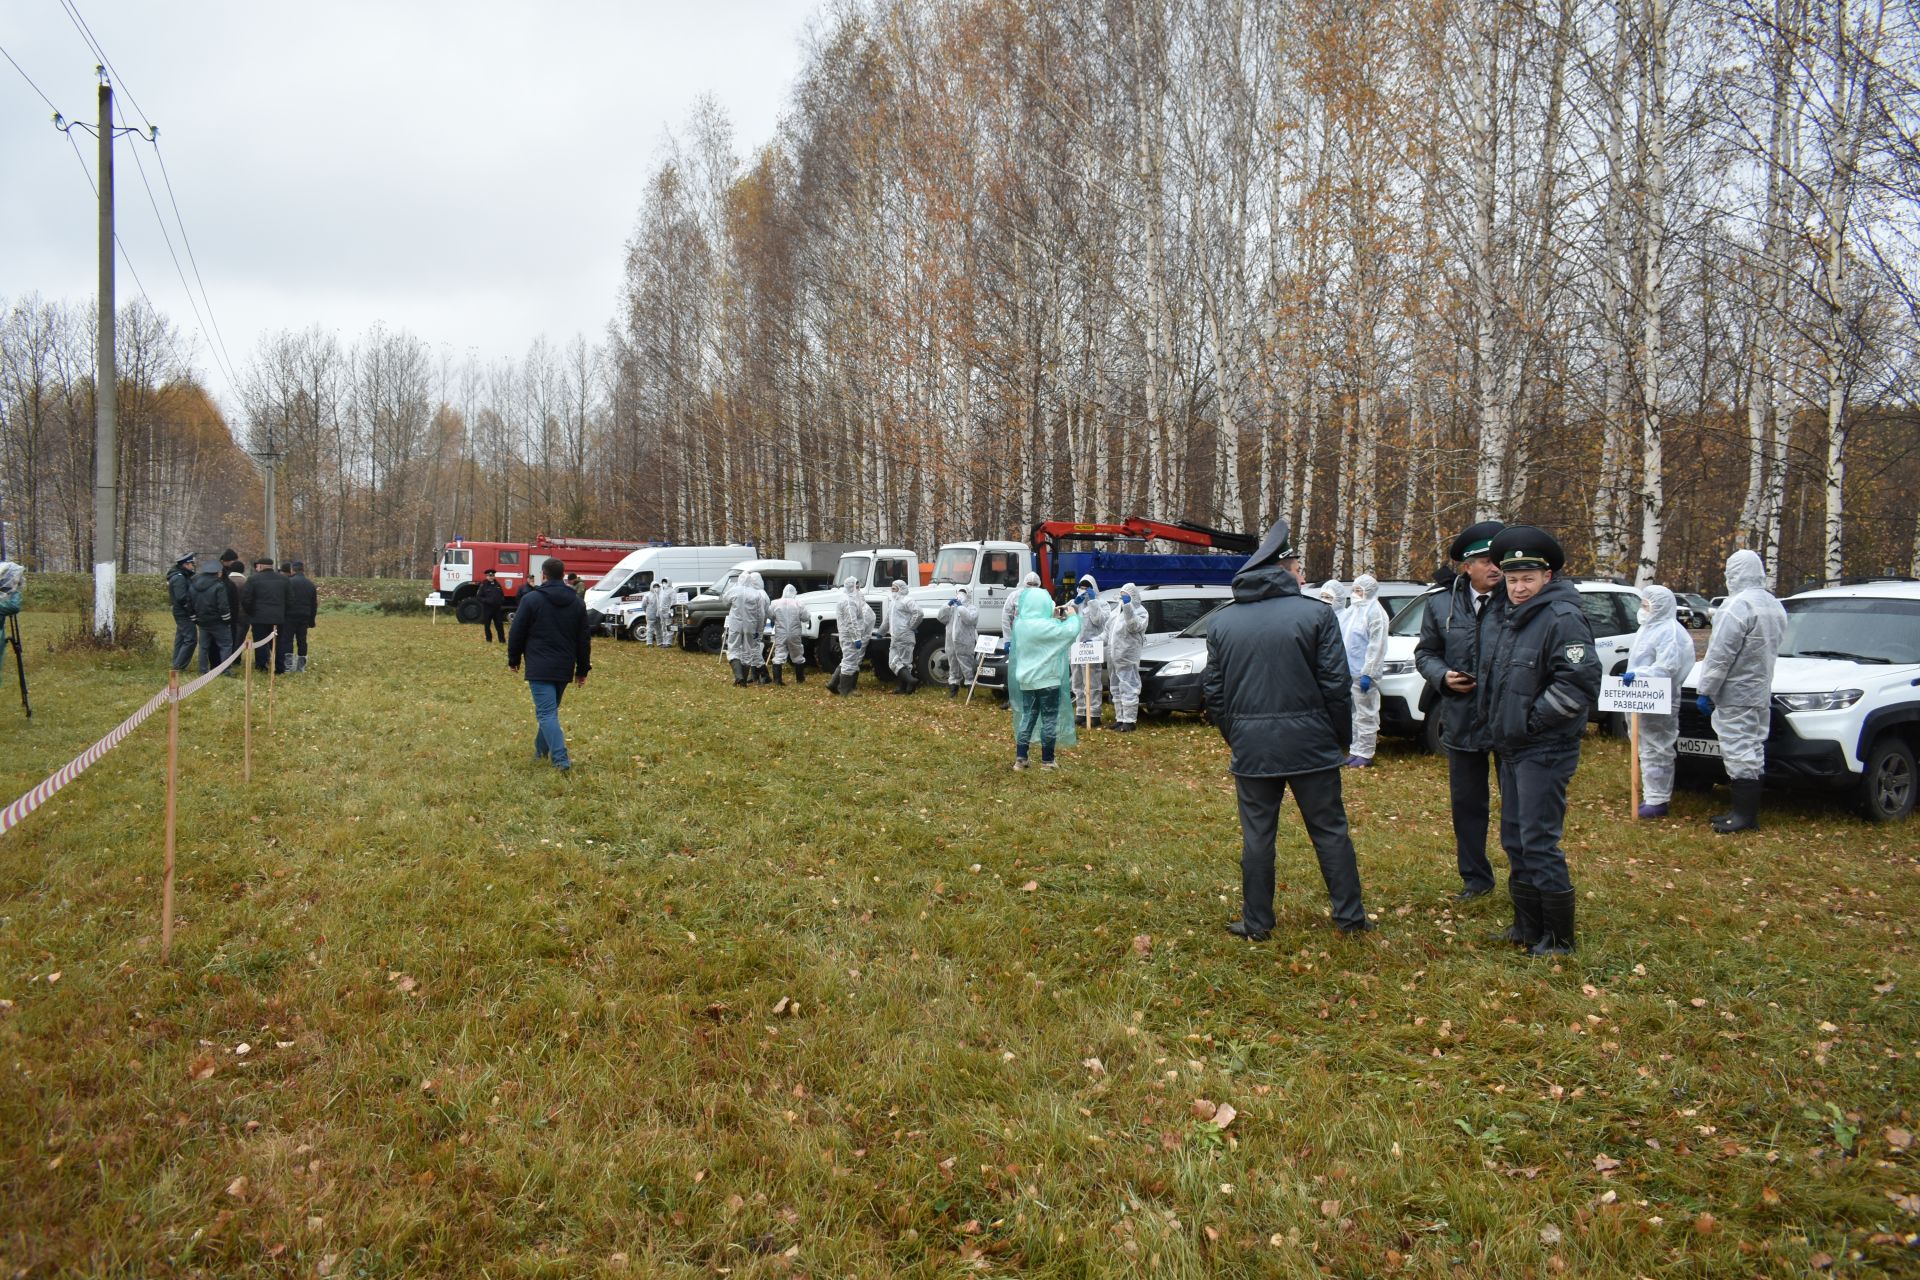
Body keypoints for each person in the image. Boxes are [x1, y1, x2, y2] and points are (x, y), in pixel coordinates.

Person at [1204, 519, 1372, 940]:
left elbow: (1214, 694)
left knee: (1258, 836)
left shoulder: (1223, 622)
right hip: (1311, 743)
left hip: (1253, 747)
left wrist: (1237, 733)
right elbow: (1336, 685)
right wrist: (1338, 738)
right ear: (1282, 571)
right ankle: (1350, 919)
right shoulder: (1316, 615)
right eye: (1298, 569)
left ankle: (1257, 922)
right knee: (1330, 831)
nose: (1302, 576)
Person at [1479, 525, 1601, 956]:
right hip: (1510, 746)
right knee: (1514, 837)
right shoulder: (1506, 617)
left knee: (1538, 839)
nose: (1519, 587)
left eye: (1528, 578)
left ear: (1546, 577)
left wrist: (1531, 723)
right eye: (1512, 579)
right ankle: (1527, 927)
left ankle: (1560, 939)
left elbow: (1578, 684)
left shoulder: (1561, 617)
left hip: (1544, 748)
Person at [1412, 520, 1508, 902]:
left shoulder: (1517, 598)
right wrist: (1442, 676)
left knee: (1517, 807)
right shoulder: (1441, 603)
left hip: (1508, 718)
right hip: (1463, 716)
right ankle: (1476, 878)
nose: (1494, 567)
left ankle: (1526, 878)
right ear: (1466, 566)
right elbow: (1425, 653)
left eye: (1497, 559)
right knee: (1467, 804)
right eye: (1485, 560)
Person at [1694, 549, 1787, 834]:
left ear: (1735, 573)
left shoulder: (1737, 606)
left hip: (1735, 691)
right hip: (1759, 689)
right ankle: (1747, 813)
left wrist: (1707, 689)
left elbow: (1720, 654)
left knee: (1738, 749)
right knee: (1753, 747)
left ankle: (1743, 816)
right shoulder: (1773, 604)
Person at [506, 557, 591, 772]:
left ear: (543, 575)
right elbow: (584, 640)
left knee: (546, 714)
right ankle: (540, 752)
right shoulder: (577, 602)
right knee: (549, 712)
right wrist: (582, 669)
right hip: (564, 666)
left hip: (539, 665)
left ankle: (561, 760)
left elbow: (517, 632)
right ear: (564, 575)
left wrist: (513, 659)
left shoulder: (531, 600)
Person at [1624, 585, 1694, 819]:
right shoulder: (1649, 627)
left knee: (1658, 747)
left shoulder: (1670, 631)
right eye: (1642, 604)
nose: (1643, 609)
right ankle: (1649, 793)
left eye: (1647, 605)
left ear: (1661, 606)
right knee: (1645, 745)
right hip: (1642, 697)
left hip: (1660, 697)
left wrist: (1641, 676)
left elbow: (1667, 668)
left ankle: (1657, 800)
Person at [1008, 587, 1082, 768]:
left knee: (1028, 717)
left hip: (1026, 680)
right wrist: (1072, 615)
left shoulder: (1020, 625)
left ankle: (1021, 758)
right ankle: (1048, 761)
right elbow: (1071, 631)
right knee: (1049, 719)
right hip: (1048, 680)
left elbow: (1040, 626)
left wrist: (1052, 616)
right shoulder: (1049, 627)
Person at [1342, 574, 1389, 767]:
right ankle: (1355, 749)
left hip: (1363, 673)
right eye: (1354, 590)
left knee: (1366, 713)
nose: (1355, 594)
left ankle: (1366, 752)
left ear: (1369, 591)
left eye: (1359, 590)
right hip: (1349, 672)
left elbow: (1376, 645)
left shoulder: (1376, 612)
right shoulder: (1353, 610)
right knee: (1355, 714)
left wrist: (1368, 672)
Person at [1103, 582, 1149, 731]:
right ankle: (1120, 719)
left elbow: (1134, 627)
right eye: (1122, 595)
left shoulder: (1141, 612)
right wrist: (1092, 641)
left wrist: (1128, 607)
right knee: (1115, 687)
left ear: (1133, 596)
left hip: (1128, 655)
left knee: (1129, 686)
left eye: (1126, 595)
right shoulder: (1116, 612)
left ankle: (1130, 721)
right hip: (1114, 656)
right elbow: (1107, 633)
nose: (1122, 598)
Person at [1069, 574, 1107, 726]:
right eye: (1081, 587)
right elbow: (1062, 616)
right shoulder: (1075, 603)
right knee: (1077, 681)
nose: (1083, 590)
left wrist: (1092, 602)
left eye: (1087, 587)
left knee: (1092, 682)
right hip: (1076, 649)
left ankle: (1094, 714)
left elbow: (1099, 620)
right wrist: (1074, 605)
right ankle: (1081, 711)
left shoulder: (1102, 603)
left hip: (1092, 648)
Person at [241, 557, 292, 673]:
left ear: (260, 566)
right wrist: (283, 613)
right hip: (278, 618)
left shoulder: (253, 579)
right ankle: (279, 667)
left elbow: (246, 600)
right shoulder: (284, 579)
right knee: (278, 643)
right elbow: (290, 600)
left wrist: (251, 613)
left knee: (260, 643)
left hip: (258, 618)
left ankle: (261, 666)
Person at [189, 554, 233, 675]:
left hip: (202, 620)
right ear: (217, 572)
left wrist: (194, 618)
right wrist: (227, 620)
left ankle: (203, 670)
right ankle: (225, 670)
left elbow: (190, 603)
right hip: (217, 621)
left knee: (203, 647)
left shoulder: (193, 584)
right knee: (225, 645)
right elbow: (223, 605)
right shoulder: (219, 586)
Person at [829, 577, 870, 695]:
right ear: (851, 587)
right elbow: (851, 622)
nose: (858, 589)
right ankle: (846, 690)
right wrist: (856, 638)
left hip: (848, 635)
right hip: (850, 636)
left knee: (847, 660)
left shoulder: (850, 599)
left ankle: (833, 684)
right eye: (856, 586)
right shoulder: (848, 601)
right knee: (849, 661)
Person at [883, 579, 923, 694]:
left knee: (905, 663)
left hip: (905, 636)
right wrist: (881, 632)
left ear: (901, 589)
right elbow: (887, 620)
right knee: (894, 662)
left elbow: (918, 613)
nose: (892, 590)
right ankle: (910, 681)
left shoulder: (907, 600)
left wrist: (911, 626)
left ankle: (904, 688)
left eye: (894, 588)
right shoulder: (893, 602)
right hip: (895, 637)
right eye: (892, 588)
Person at [938, 587, 980, 697]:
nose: (961, 595)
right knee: (953, 665)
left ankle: (970, 691)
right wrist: (947, 606)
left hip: (965, 642)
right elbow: (941, 618)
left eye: (964, 592)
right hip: (951, 642)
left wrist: (961, 608)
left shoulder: (972, 608)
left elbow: (970, 619)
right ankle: (953, 689)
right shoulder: (952, 609)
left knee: (967, 665)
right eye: (959, 592)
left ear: (968, 594)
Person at [166, 551, 198, 671]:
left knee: (181, 638)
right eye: (191, 564)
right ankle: (178, 667)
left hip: (181, 611)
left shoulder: (181, 576)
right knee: (191, 639)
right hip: (183, 612)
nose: (192, 566)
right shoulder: (179, 578)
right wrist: (191, 610)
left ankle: (177, 663)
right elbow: (181, 597)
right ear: (186, 564)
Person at [769, 583, 808, 683]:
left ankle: (777, 680)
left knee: (779, 654)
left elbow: (770, 615)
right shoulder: (798, 603)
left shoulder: (775, 603)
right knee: (798, 654)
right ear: (794, 592)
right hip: (794, 633)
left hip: (780, 632)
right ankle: (800, 679)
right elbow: (806, 617)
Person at [285, 561, 318, 672]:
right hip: (304, 616)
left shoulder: (288, 582)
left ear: (292, 570)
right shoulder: (310, 584)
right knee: (302, 641)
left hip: (289, 616)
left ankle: (288, 666)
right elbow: (314, 604)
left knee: (288, 640)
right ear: (303, 570)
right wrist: (312, 620)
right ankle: (301, 667)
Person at [477, 569, 507, 643]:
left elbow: (502, 595)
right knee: (487, 625)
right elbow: (479, 597)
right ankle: (489, 640)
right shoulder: (483, 585)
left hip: (497, 609)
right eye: (489, 576)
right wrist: (486, 601)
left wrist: (501, 601)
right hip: (487, 609)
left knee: (499, 625)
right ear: (487, 576)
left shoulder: (498, 584)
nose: (491, 577)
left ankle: (502, 640)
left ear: (494, 576)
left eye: (492, 575)